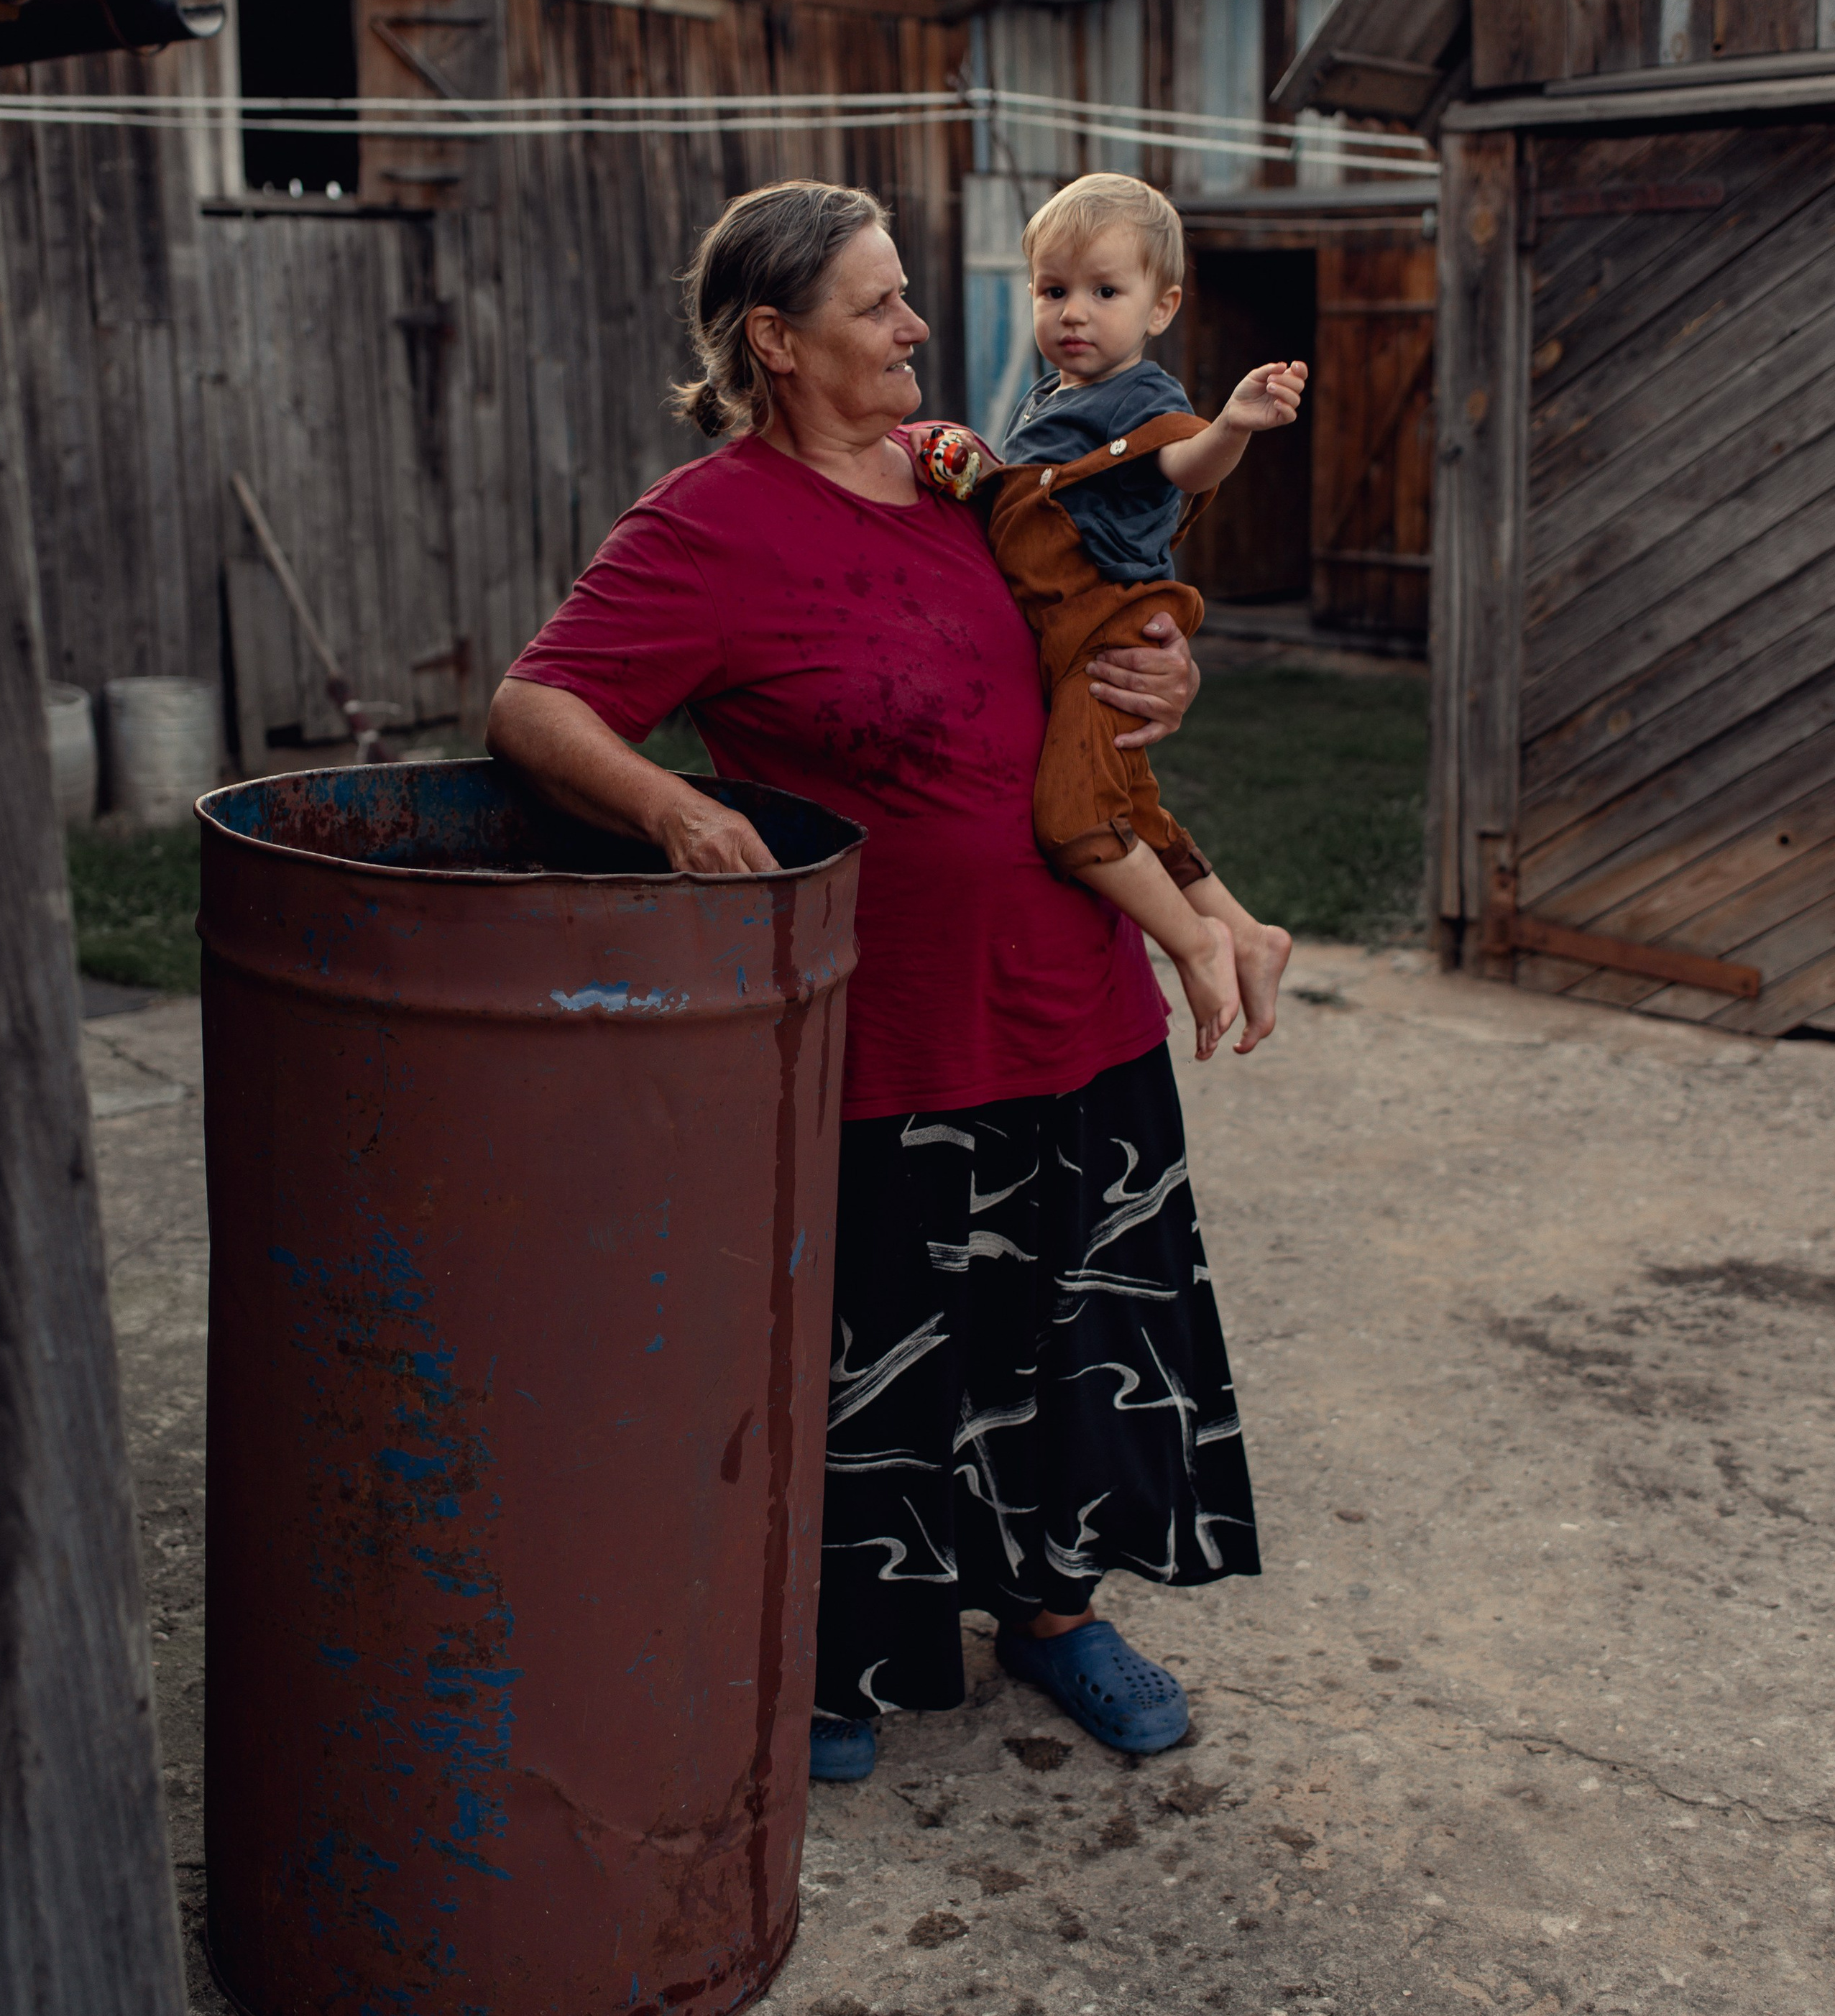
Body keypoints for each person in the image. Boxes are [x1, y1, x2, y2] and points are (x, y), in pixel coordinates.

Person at [485, 179, 1261, 1787]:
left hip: (1071, 1001)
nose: (920, 328)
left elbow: (1096, 611)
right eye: (877, 305)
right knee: (874, 1359)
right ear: (775, 340)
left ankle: (1054, 1619)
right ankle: (841, 1646)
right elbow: (538, 704)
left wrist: (1163, 663)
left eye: (909, 296)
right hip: (882, 1033)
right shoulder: (705, 526)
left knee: (1068, 1337)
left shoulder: (964, 480)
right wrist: (682, 809)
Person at [916, 173, 1301, 1064]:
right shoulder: (1052, 398)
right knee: (1132, 803)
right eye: (1053, 291)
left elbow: (1185, 467)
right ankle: (1244, 930)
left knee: (1074, 818)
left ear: (1160, 307)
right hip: (1063, 636)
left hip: (1105, 632)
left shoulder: (1140, 398)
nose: (1073, 314)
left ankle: (1193, 944)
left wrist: (1233, 426)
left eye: (1103, 292)